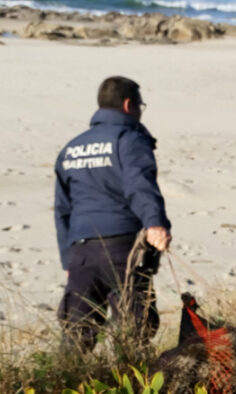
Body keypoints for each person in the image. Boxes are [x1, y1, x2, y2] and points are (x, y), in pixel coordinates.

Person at [54, 76, 172, 351]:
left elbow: (62, 210)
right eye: (141, 105)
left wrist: (68, 260)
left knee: (75, 338)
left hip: (81, 254)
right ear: (129, 104)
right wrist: (155, 223)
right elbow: (139, 186)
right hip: (123, 251)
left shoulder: (71, 149)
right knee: (134, 336)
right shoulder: (129, 140)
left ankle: (62, 390)